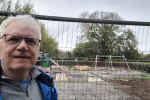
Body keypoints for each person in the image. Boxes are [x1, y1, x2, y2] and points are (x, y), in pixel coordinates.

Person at [0, 15, 58, 100]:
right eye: (13, 39)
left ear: (38, 50)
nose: (23, 46)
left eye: (31, 41)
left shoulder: (47, 83)